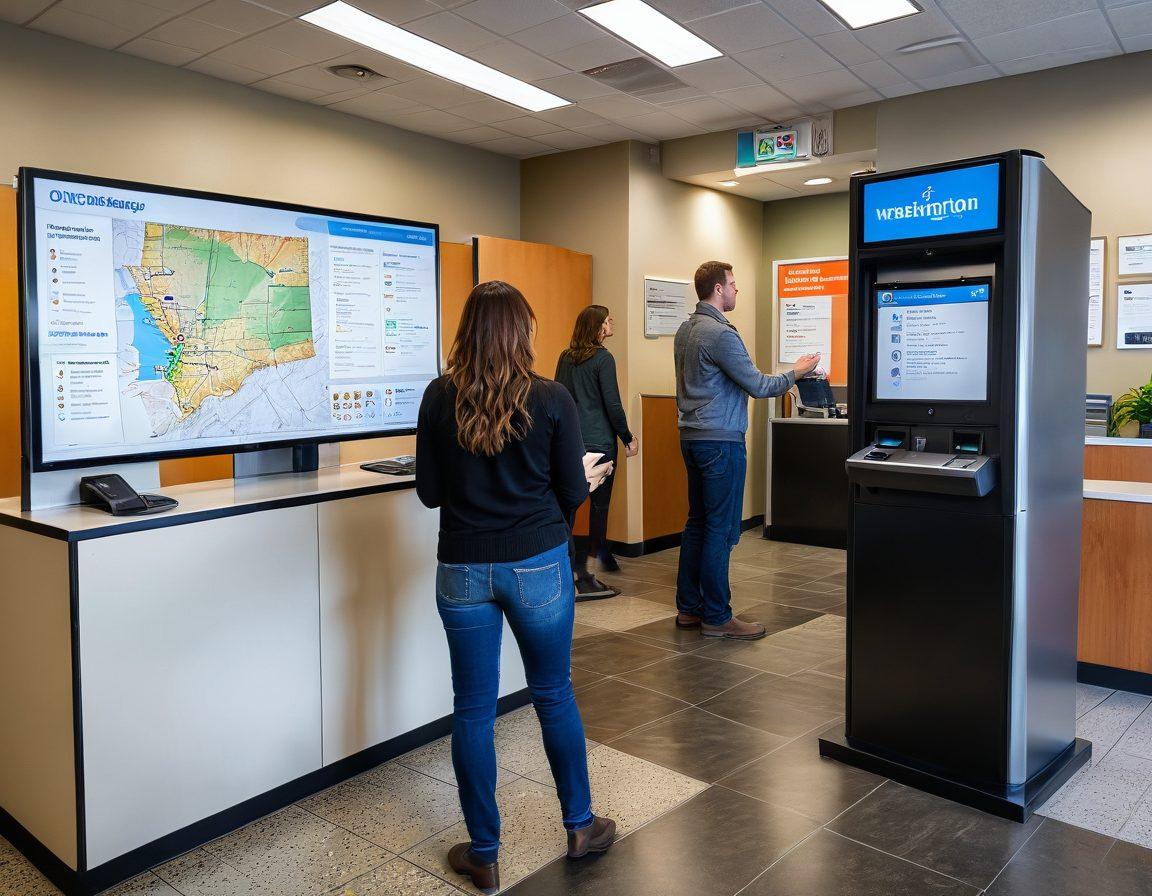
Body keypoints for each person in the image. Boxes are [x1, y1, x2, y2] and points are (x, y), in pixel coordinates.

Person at [416, 281, 616, 893]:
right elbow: (573, 494)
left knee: (473, 709)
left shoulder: (438, 397)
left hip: (464, 569)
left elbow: (428, 493)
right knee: (553, 693)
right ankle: (579, 827)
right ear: (520, 333)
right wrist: (573, 479)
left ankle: (484, 853)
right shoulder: (552, 400)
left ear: (468, 332)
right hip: (538, 564)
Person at [674, 261, 820, 640]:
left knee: (697, 525)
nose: (737, 291)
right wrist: (797, 371)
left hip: (691, 438)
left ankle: (689, 609)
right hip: (720, 442)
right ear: (718, 290)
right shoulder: (720, 334)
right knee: (720, 531)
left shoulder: (685, 330)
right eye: (734, 285)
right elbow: (758, 385)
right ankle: (718, 617)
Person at [555, 305, 637, 600]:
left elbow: (558, 398)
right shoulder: (603, 358)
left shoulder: (565, 357)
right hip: (601, 442)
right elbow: (612, 404)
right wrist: (627, 437)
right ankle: (593, 566)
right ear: (599, 328)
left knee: (570, 508)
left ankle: (568, 566)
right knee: (599, 507)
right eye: (607, 320)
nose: (611, 322)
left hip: (571, 442)